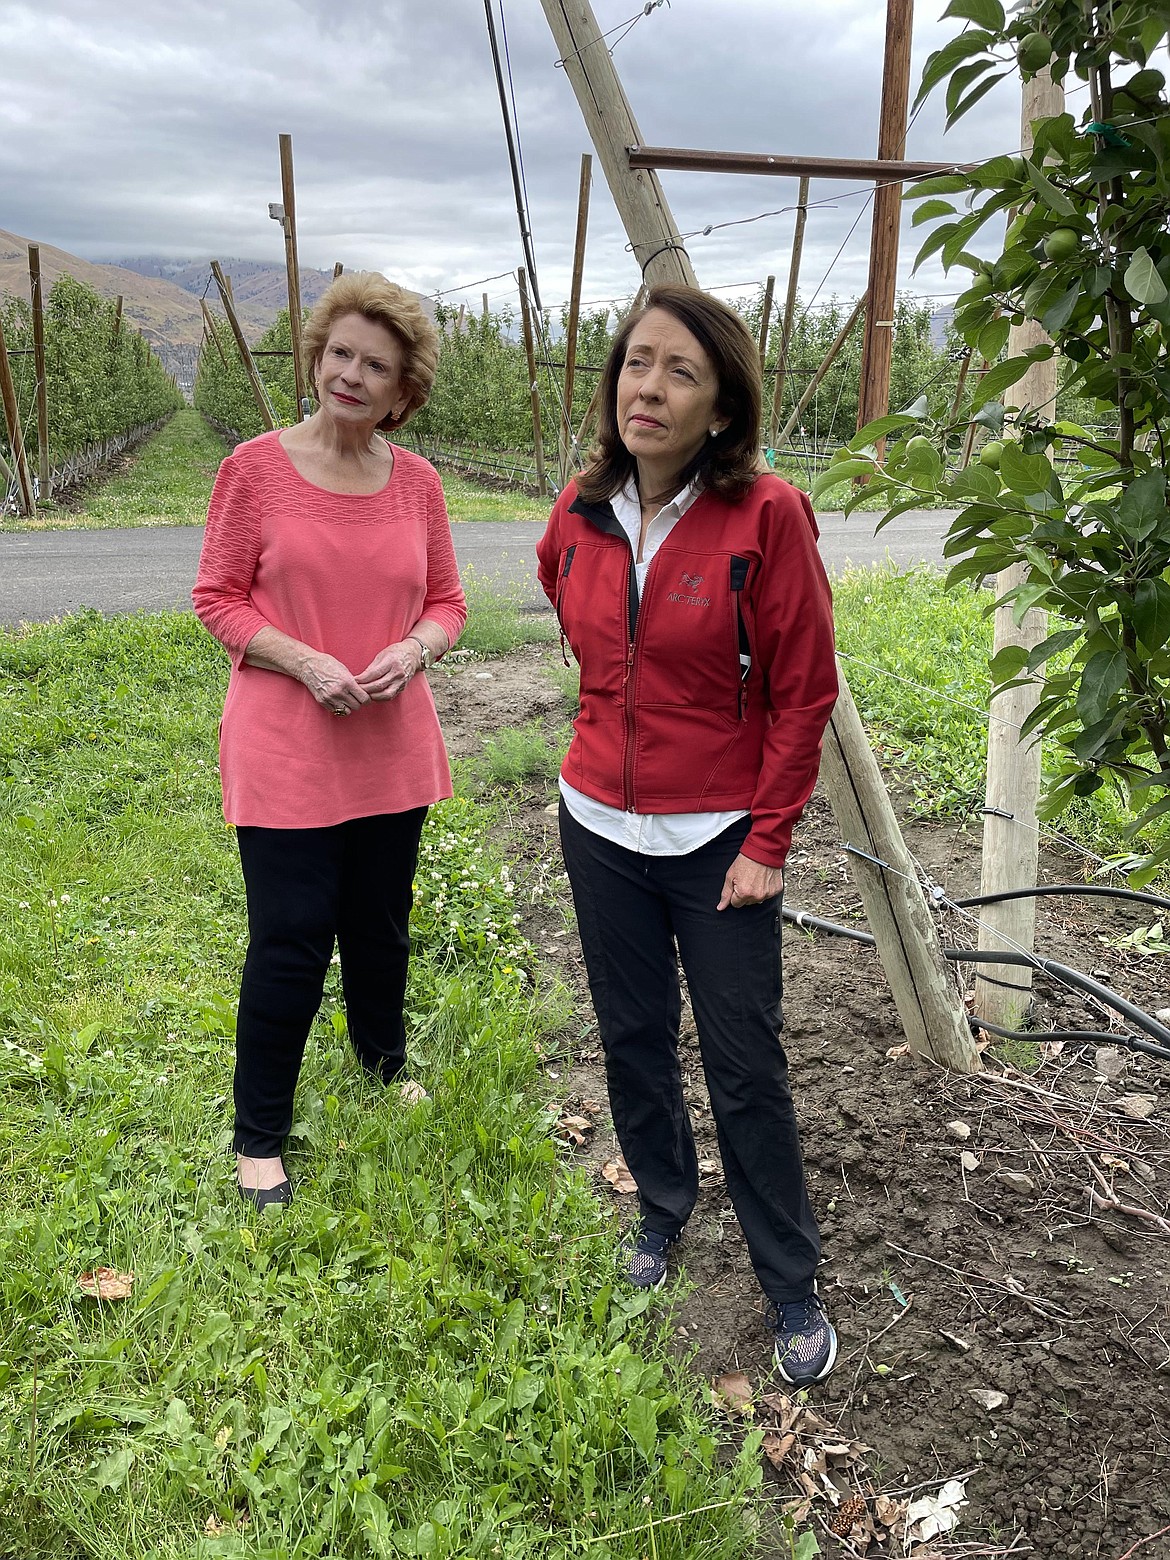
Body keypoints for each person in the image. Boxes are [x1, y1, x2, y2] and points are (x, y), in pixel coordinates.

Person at [536, 284, 839, 1386]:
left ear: (720, 408)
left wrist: (768, 841)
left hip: (718, 841)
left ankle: (788, 1276)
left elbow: (805, 692)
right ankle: (662, 1209)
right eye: (635, 364)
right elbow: (566, 601)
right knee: (631, 1035)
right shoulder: (579, 509)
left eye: (679, 372)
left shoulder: (767, 516)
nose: (648, 388)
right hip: (598, 824)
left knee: (745, 1062)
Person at [193, 273, 466, 1210]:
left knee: (381, 926)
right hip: (286, 745)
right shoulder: (255, 468)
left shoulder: (419, 483)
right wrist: (305, 661)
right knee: (291, 938)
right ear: (318, 355)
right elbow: (217, 598)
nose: (351, 374)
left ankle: (381, 1062)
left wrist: (413, 649)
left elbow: (448, 602)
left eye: (376, 365)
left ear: (403, 390)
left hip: (390, 743)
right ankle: (259, 1136)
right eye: (341, 352)